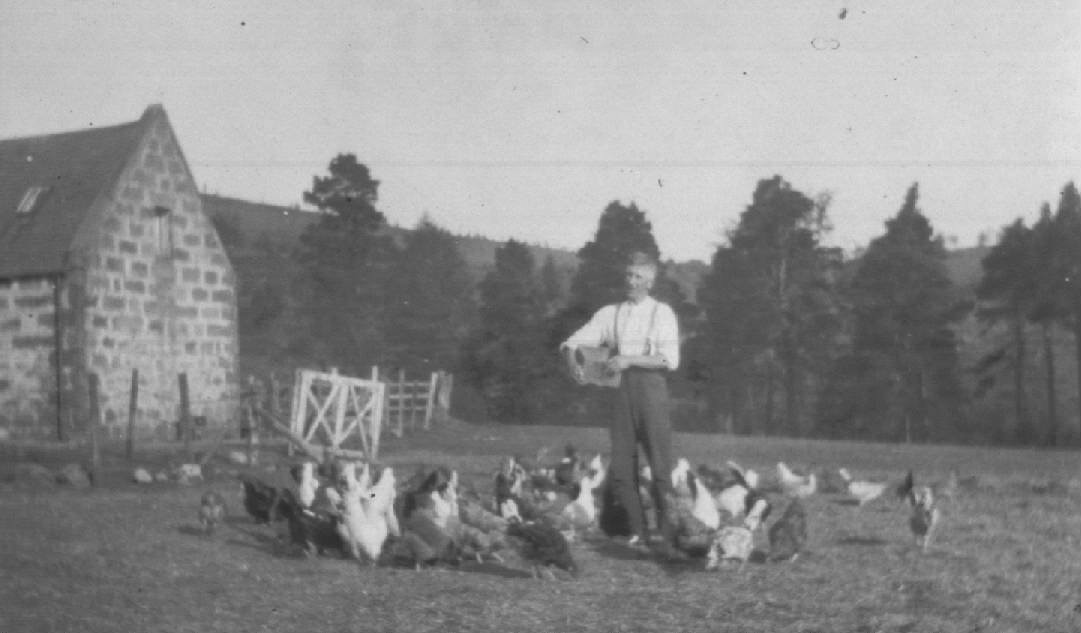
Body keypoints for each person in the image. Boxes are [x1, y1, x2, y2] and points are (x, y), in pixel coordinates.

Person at [560, 251, 680, 556]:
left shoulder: (661, 312)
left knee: (661, 467)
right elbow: (572, 342)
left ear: (650, 281)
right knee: (622, 470)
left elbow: (670, 359)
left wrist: (629, 359)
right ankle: (638, 532)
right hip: (619, 392)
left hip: (651, 390)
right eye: (628, 275)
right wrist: (573, 361)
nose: (631, 281)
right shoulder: (610, 312)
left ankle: (668, 534)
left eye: (638, 276)